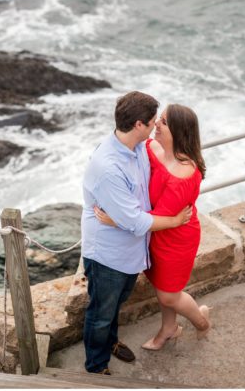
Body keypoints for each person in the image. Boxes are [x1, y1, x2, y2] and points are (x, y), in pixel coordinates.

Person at [81, 92, 192, 375]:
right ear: (139, 124)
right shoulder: (108, 167)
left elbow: (133, 214)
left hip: (130, 249)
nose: (157, 125)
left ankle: (111, 342)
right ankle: (96, 366)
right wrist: (176, 220)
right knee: (100, 314)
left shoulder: (139, 146)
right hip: (108, 254)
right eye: (154, 121)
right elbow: (136, 222)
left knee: (115, 304)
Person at [95, 103, 211, 352]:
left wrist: (116, 219)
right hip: (153, 233)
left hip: (175, 238)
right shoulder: (151, 147)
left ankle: (202, 322)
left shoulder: (185, 173)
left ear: (179, 132)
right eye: (160, 118)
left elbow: (161, 217)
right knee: (162, 288)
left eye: (165, 122)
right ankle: (169, 329)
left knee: (169, 294)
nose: (156, 123)